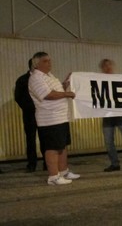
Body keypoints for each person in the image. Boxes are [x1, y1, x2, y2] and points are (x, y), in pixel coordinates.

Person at [28, 52, 80, 185]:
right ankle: (53, 176)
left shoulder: (49, 76)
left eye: (50, 60)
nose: (49, 63)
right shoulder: (36, 78)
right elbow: (48, 95)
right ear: (36, 64)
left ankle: (63, 171)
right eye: (45, 61)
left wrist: (64, 84)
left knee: (62, 146)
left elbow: (56, 91)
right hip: (49, 119)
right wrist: (67, 93)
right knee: (52, 148)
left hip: (61, 117)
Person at [14, 58, 46, 172]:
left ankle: (47, 164)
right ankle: (32, 164)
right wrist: (30, 108)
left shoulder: (45, 79)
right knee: (30, 140)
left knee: (45, 139)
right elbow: (18, 97)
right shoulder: (22, 80)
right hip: (30, 115)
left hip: (43, 113)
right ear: (33, 66)